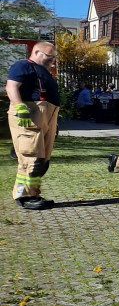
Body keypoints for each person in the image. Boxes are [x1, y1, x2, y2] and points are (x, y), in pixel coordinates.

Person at [6, 41, 61, 209]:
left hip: (46, 116)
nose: (52, 61)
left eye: (54, 58)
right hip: (31, 116)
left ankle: (33, 194)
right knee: (32, 159)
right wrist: (20, 106)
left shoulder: (43, 71)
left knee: (42, 161)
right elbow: (11, 86)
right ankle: (23, 196)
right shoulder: (23, 66)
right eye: (50, 56)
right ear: (36, 52)